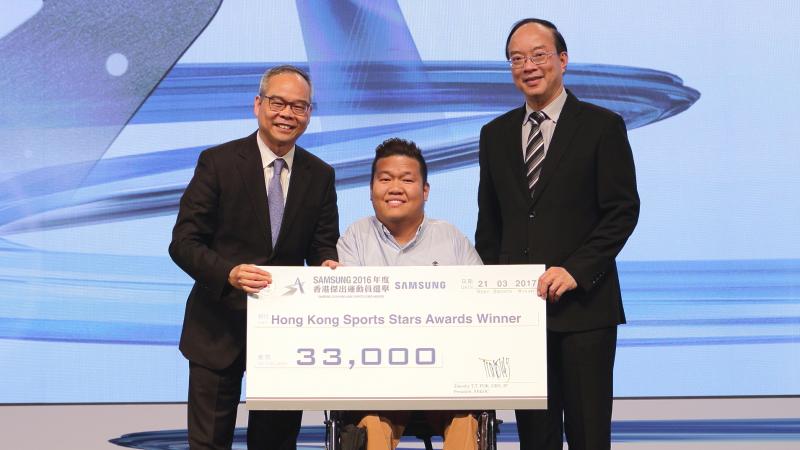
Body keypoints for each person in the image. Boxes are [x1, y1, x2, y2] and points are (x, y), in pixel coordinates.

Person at [474, 19, 640, 450]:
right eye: (517, 58)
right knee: (536, 438)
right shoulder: (494, 134)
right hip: (522, 313)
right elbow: (489, 224)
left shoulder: (602, 125)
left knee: (587, 435)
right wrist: (495, 291)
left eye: (538, 55)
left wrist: (576, 270)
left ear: (562, 61)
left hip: (586, 308)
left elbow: (622, 211)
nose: (528, 65)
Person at [169, 65, 339, 450]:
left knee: (276, 445)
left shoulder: (321, 174)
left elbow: (323, 246)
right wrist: (228, 272)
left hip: (285, 337)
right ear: (257, 104)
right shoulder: (218, 162)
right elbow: (183, 242)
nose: (287, 114)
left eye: (299, 106)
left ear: (309, 114)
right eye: (278, 102)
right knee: (209, 444)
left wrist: (329, 265)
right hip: (217, 327)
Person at [337, 138, 482, 450]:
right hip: (377, 375)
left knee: (466, 421)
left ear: (425, 190)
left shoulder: (451, 238)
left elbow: (480, 306)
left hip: (447, 373)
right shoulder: (354, 238)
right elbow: (347, 314)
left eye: (407, 179)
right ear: (371, 188)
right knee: (371, 425)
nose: (395, 188)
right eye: (385, 178)